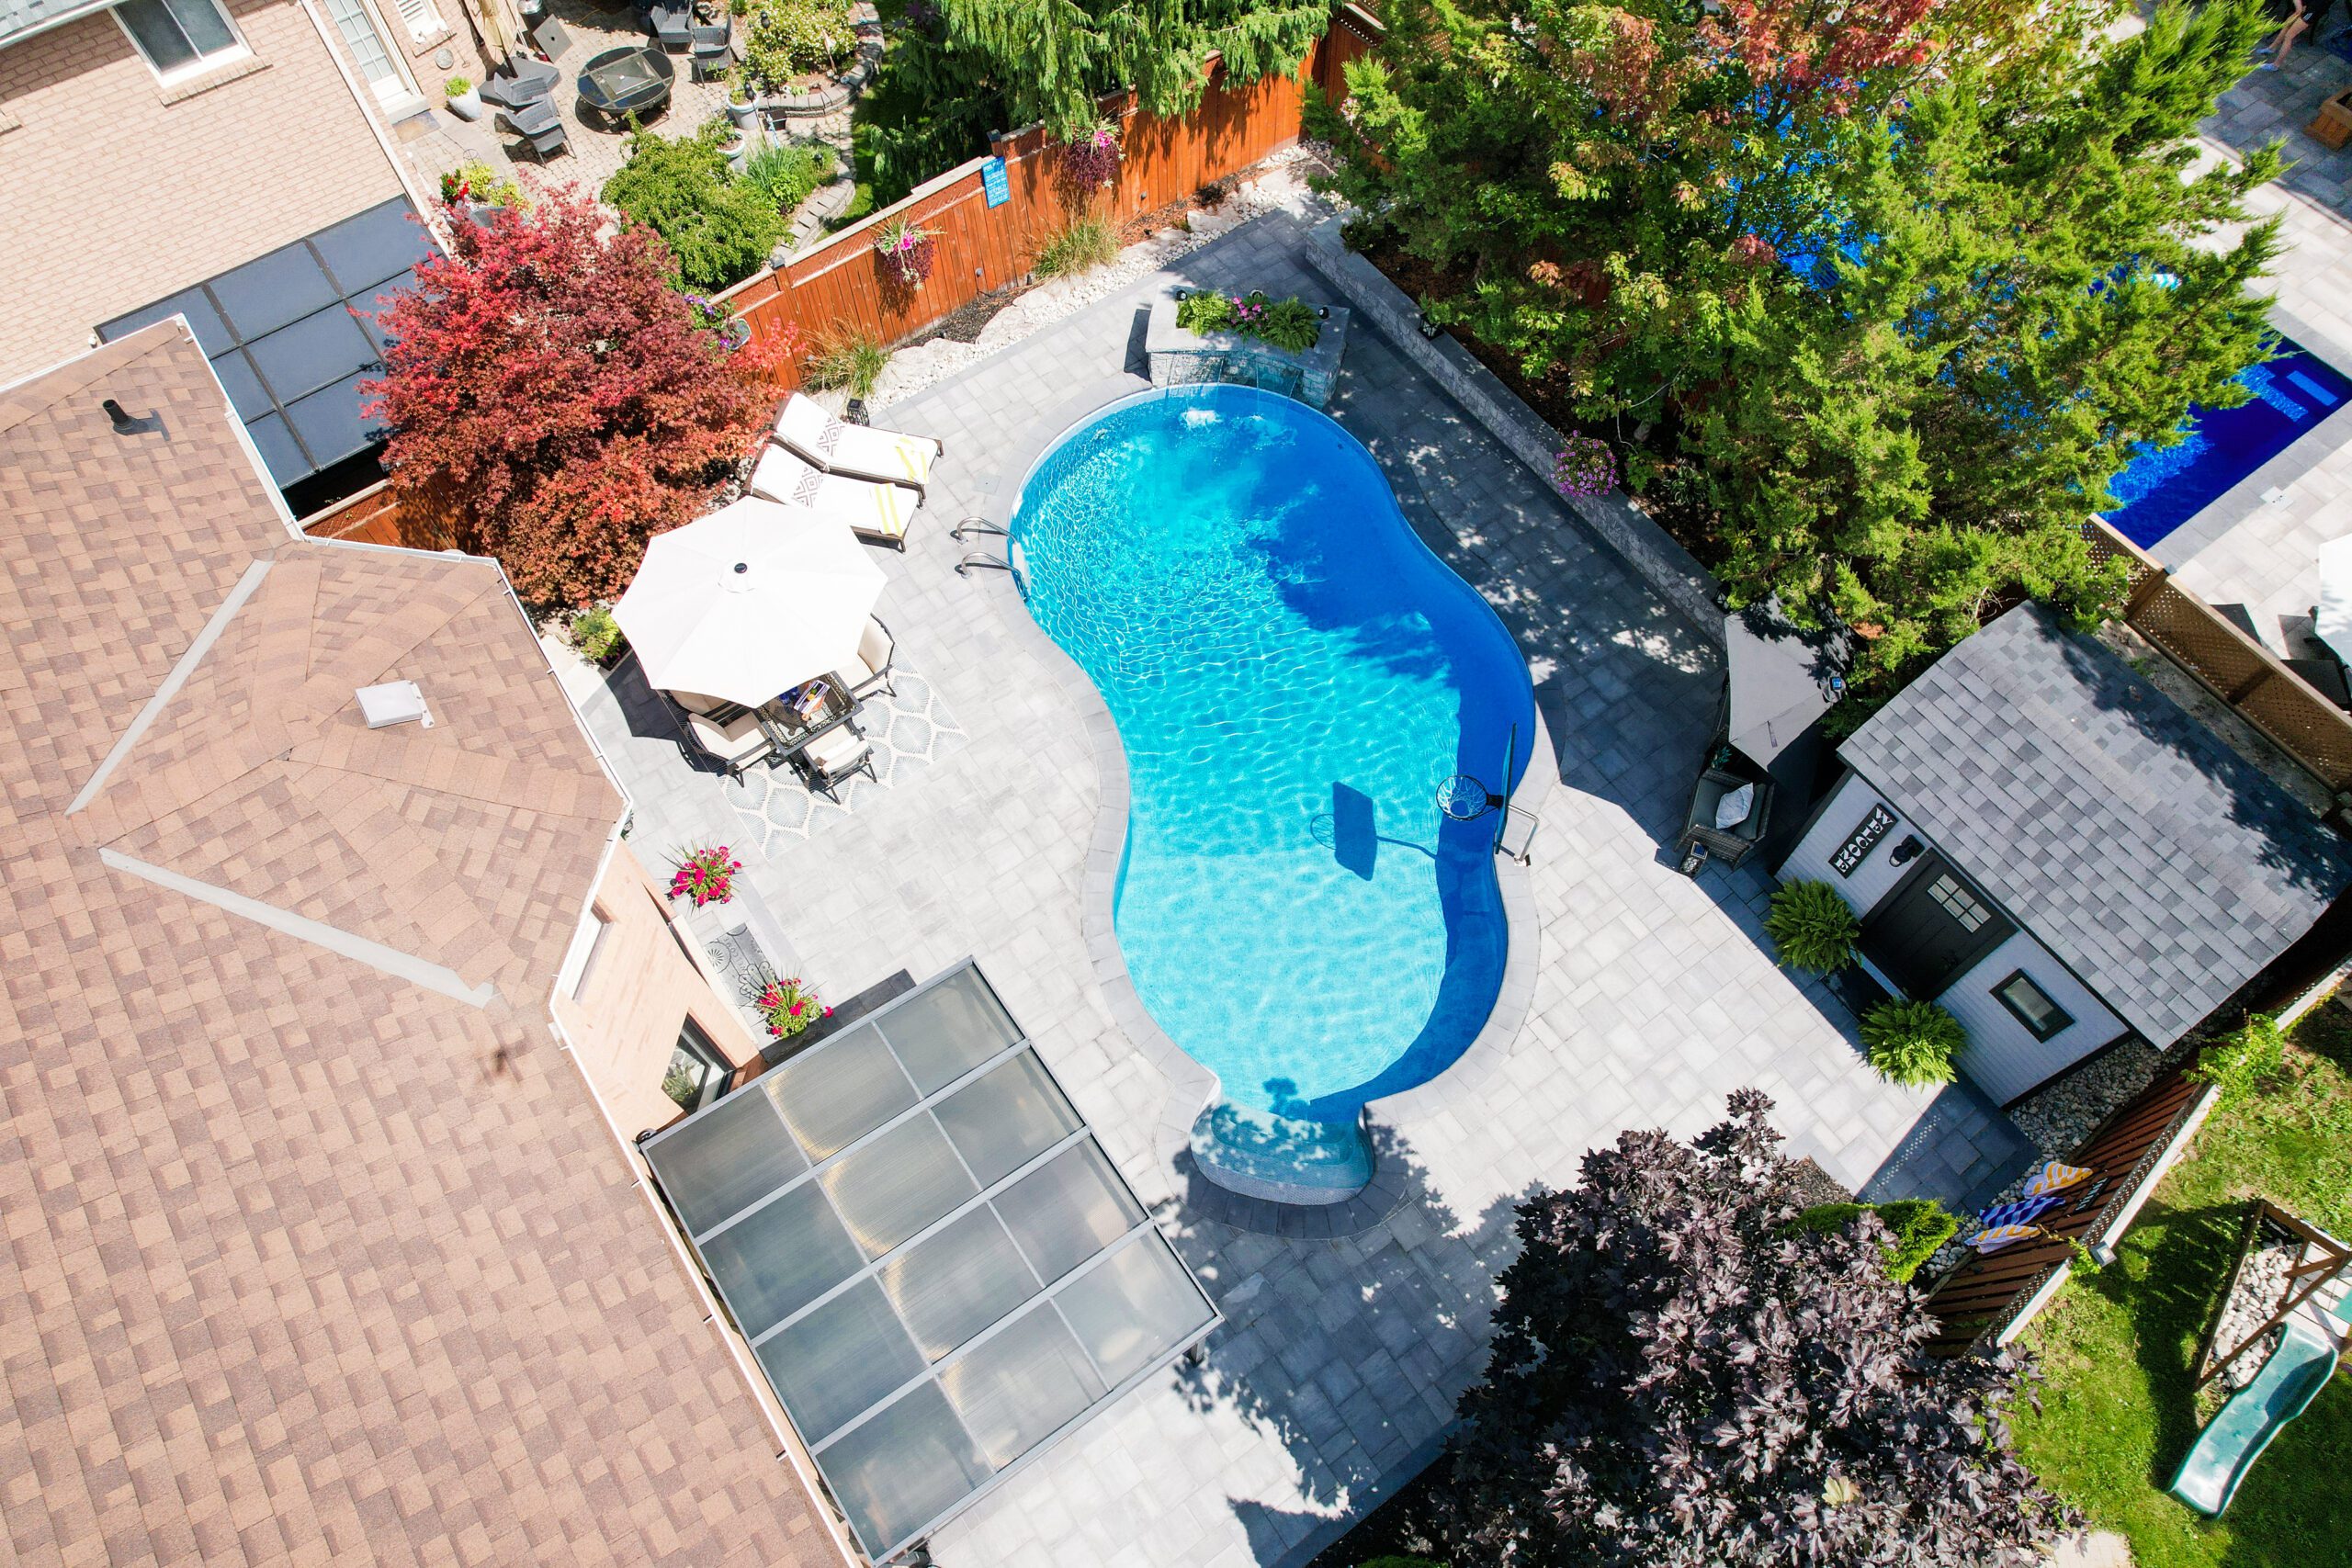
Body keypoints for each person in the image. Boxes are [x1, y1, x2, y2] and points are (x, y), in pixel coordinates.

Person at [2267, 0, 2337, 68]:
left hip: (2312, 11)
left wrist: (2299, 7)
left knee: (2289, 36)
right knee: (2287, 25)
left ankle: (2276, 65)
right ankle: (2272, 48)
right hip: (2308, 5)